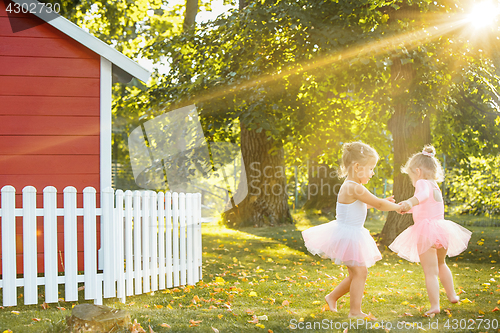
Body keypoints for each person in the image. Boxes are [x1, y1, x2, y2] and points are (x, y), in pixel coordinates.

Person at [302, 141, 402, 318]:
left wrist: (383, 202)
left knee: (357, 273)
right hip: (348, 235)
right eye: (371, 168)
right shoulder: (353, 187)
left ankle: (332, 297)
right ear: (357, 167)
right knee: (360, 272)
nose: (372, 173)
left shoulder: (353, 187)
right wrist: (396, 207)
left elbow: (368, 205)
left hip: (351, 234)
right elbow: (377, 203)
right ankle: (354, 311)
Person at [389, 145, 472, 316]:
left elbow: (421, 197)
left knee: (430, 272)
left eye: (411, 176)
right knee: (441, 264)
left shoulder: (422, 183)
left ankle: (435, 305)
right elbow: (426, 205)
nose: (412, 180)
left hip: (426, 233)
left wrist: (410, 202)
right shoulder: (435, 185)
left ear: (417, 172)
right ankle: (452, 295)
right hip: (441, 231)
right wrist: (408, 208)